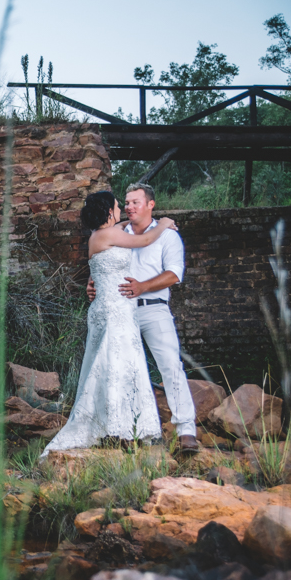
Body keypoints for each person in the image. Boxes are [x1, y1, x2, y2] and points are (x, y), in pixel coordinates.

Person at [41, 191, 177, 455]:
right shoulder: (107, 235)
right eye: (117, 206)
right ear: (108, 211)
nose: (121, 210)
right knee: (116, 366)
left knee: (114, 365)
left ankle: (119, 426)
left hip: (112, 308)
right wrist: (163, 223)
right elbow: (145, 239)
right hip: (114, 310)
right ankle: (115, 427)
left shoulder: (101, 235)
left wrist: (127, 223)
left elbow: (120, 234)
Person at [87, 182, 199, 453]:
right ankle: (123, 430)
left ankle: (186, 431)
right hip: (119, 312)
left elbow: (174, 274)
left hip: (153, 309)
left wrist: (143, 286)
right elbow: (102, 264)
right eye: (126, 202)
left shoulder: (167, 235)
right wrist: (93, 284)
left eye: (135, 202)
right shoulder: (116, 231)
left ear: (150, 205)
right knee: (120, 369)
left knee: (170, 366)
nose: (129, 206)